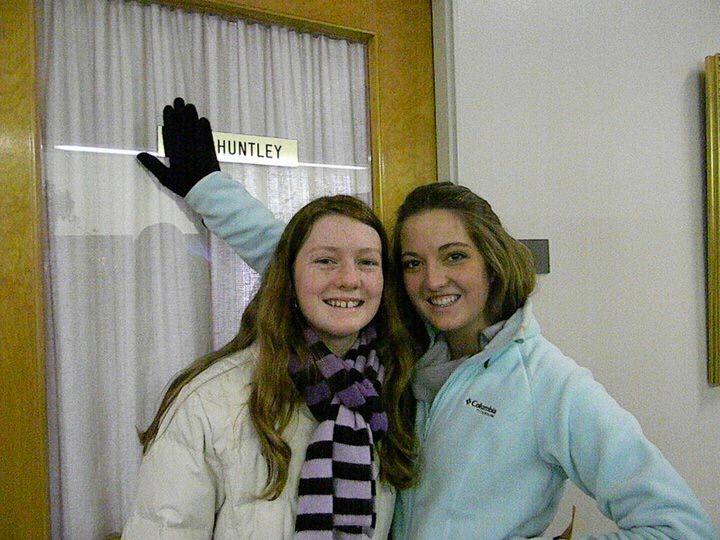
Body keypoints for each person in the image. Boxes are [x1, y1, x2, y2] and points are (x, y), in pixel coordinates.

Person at [136, 99, 717, 538]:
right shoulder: (400, 352)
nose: (433, 281)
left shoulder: (550, 385)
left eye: (455, 256)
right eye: (412, 263)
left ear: (493, 260)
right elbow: (314, 271)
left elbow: (680, 527)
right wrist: (208, 189)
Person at [122, 188, 417, 538]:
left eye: (367, 262)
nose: (349, 279)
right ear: (288, 277)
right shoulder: (210, 401)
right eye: (325, 261)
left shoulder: (390, 392)